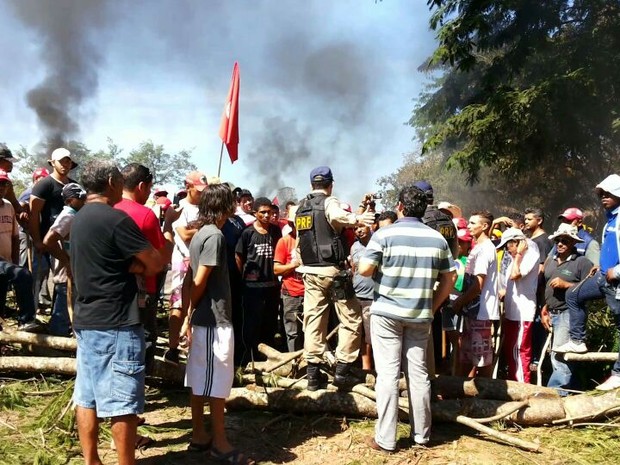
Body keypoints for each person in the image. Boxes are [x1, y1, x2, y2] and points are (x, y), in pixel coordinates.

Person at [70, 160, 164, 465]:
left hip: (87, 319)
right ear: (111, 181)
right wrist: (134, 265)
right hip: (117, 322)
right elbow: (155, 263)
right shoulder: (116, 219)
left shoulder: (80, 218)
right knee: (123, 401)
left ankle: (91, 460)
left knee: (88, 397)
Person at [358, 185, 455, 451]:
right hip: (420, 315)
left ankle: (386, 439)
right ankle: (422, 435)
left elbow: (366, 269)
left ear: (400, 206)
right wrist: (433, 307)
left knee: (387, 375)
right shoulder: (437, 239)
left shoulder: (384, 234)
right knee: (419, 374)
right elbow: (450, 279)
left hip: (387, 313)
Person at [183, 183, 255, 464]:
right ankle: (220, 444)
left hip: (205, 318)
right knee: (217, 384)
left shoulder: (200, 233)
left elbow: (191, 277)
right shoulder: (214, 236)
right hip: (214, 318)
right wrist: (192, 309)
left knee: (200, 379)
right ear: (227, 207)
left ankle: (199, 435)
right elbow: (200, 279)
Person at [295, 166, 375, 391]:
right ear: (330, 184)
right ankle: (342, 371)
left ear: (312, 184)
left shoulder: (301, 208)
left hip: (310, 272)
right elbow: (336, 216)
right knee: (351, 319)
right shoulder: (330, 202)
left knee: (313, 322)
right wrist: (358, 218)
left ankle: (313, 375)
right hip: (333, 272)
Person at [556, 174, 620, 391]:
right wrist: (600, 265)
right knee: (573, 294)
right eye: (601, 194)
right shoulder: (611, 218)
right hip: (603, 277)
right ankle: (577, 340)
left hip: (616, 281)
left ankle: (618, 374)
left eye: (608, 193)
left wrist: (617, 271)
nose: (603, 198)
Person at [115, 164, 173, 373]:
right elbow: (162, 258)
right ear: (141, 186)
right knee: (145, 335)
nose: (149, 192)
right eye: (149, 188)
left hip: (109, 289)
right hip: (141, 290)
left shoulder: (107, 208)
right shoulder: (145, 215)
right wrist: (168, 227)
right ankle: (138, 382)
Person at [540, 223, 592, 394]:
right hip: (552, 313)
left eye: (565, 241)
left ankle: (556, 394)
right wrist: (545, 308)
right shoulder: (551, 261)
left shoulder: (581, 262)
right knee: (556, 354)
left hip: (568, 314)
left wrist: (567, 285)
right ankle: (573, 392)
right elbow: (545, 285)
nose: (560, 244)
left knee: (559, 357)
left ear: (574, 243)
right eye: (558, 240)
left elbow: (590, 288)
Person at [164, 171, 208, 365]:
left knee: (195, 304)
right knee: (178, 304)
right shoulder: (180, 209)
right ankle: (172, 347)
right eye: (198, 190)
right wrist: (206, 228)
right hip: (182, 261)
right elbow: (184, 234)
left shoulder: (206, 210)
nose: (201, 194)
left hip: (200, 261)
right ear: (188, 187)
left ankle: (190, 344)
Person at [29, 148, 78, 315]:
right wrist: (37, 240)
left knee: (63, 281)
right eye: (62, 161)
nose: (65, 165)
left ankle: (60, 319)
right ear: (53, 163)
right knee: (37, 279)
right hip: (45, 239)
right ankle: (29, 317)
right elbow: (34, 214)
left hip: (66, 241)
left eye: (68, 161)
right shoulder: (44, 185)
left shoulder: (73, 186)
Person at [452, 211, 500, 378]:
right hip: (470, 311)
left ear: (484, 226)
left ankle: (488, 396)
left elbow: (478, 284)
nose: (469, 226)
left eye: (473, 223)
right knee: (466, 356)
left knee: (482, 357)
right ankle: (462, 392)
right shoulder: (477, 248)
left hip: (481, 312)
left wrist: (459, 302)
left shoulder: (486, 249)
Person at [235, 197, 282, 363]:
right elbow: (239, 257)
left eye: (269, 212)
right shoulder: (247, 233)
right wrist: (242, 279)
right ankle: (249, 357)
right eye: (263, 212)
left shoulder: (276, 232)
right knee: (251, 323)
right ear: (255, 213)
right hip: (251, 288)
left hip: (272, 286)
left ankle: (268, 358)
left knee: (269, 324)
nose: (267, 215)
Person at [42, 182, 87, 336]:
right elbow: (48, 241)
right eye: (79, 198)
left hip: (74, 269)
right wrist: (66, 261)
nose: (83, 201)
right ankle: (57, 338)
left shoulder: (76, 214)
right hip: (66, 271)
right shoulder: (67, 216)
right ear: (69, 201)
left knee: (72, 303)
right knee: (64, 304)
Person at [496, 227, 540, 383]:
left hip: (523, 311)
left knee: (520, 350)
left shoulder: (530, 254)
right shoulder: (514, 257)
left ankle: (523, 386)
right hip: (512, 312)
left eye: (509, 244)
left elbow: (515, 275)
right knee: (511, 350)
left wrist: (519, 254)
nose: (508, 249)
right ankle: (513, 382)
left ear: (518, 242)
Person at [0, 169, 42, 332]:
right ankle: (26, 320)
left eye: (5, 184)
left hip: (6, 261)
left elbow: (15, 237)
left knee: (1, 298)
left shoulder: (9, 206)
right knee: (23, 274)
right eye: (0, 184)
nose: (2, 187)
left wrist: (14, 262)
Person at [273, 205, 305, 352]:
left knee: (311, 331)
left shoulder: (311, 241)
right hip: (291, 293)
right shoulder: (284, 242)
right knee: (293, 332)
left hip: (311, 292)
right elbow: (276, 269)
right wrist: (294, 265)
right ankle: (295, 364)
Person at [349, 222, 375, 372]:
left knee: (371, 335)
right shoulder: (354, 247)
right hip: (357, 295)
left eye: (361, 226)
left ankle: (376, 369)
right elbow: (354, 269)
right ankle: (365, 368)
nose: (358, 231)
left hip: (373, 296)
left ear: (371, 226)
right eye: (355, 228)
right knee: (359, 333)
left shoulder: (377, 243)